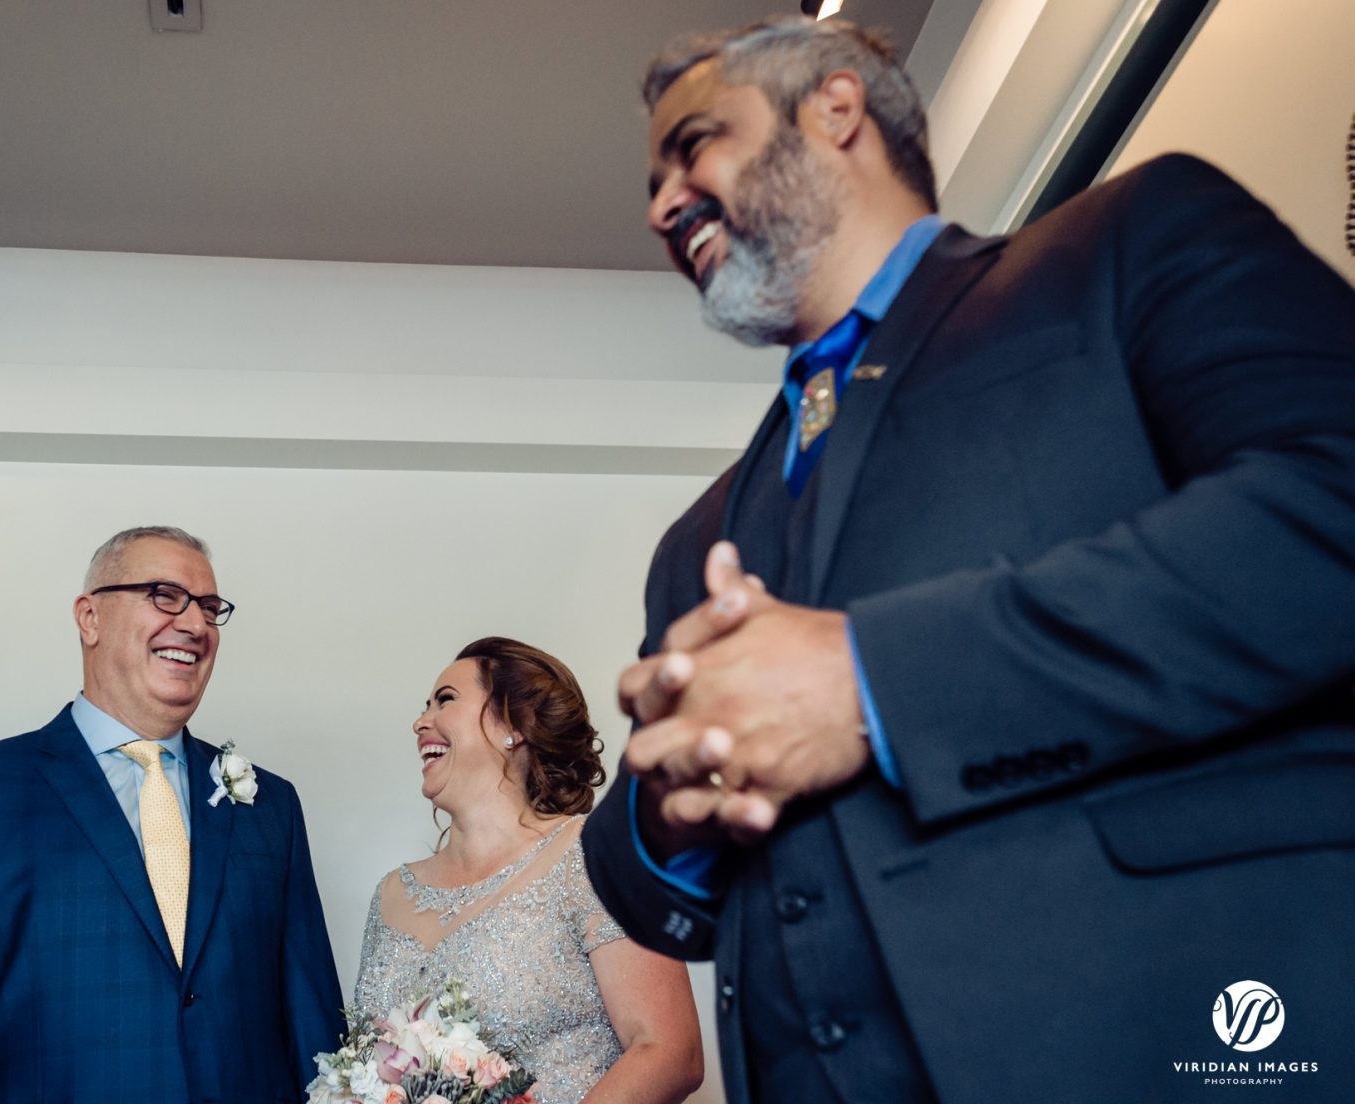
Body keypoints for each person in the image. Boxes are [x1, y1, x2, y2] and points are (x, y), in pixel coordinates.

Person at [580, 14, 1355, 1104]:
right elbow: (656, 890)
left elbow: (1332, 499)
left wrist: (872, 681)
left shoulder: (1132, 242)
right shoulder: (695, 543)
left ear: (836, 109)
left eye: (694, 143)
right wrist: (663, 799)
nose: (661, 203)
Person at [0, 526, 344, 1104]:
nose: (194, 625)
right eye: (165, 595)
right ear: (89, 618)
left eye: (210, 608)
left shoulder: (272, 805)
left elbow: (314, 1026)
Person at [353, 637, 703, 1104]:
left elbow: (669, 1051)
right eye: (425, 707)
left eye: (446, 700)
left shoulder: (595, 855)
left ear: (513, 725)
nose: (421, 723)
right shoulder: (391, 894)